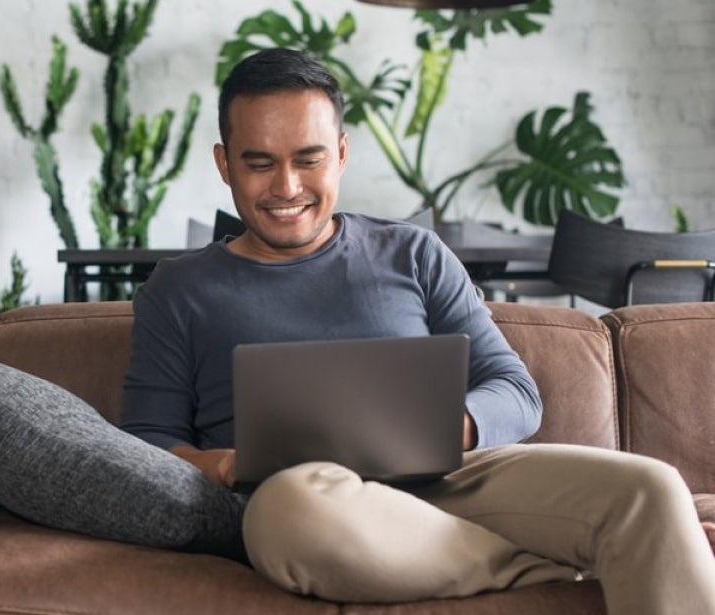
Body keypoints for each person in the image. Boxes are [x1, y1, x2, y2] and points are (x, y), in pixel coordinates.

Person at [120, 48, 715, 614]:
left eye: (309, 159)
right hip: (316, 505)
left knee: (653, 488)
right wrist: (226, 464)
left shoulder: (413, 253)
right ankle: (546, 566)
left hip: (454, 479)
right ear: (225, 163)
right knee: (287, 514)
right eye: (259, 163)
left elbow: (516, 390)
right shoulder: (179, 290)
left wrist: (443, 427)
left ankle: (530, 549)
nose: (287, 187)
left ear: (343, 153)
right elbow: (146, 446)